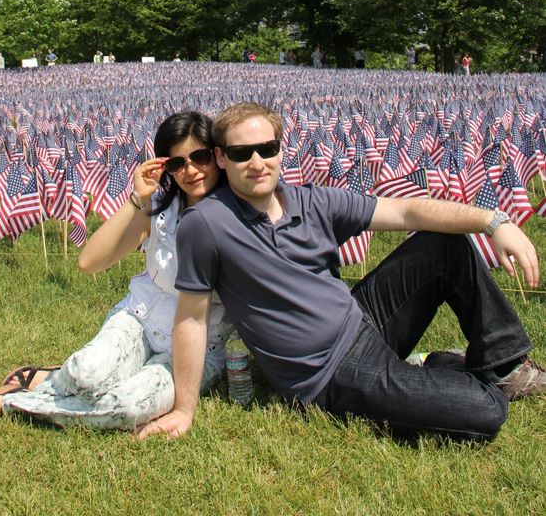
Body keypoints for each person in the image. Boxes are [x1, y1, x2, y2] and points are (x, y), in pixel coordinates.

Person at [140, 101, 544, 443]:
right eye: (242, 153)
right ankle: (443, 366)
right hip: (331, 372)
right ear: (222, 158)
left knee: (444, 245)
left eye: (267, 148)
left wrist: (494, 221)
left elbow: (406, 211)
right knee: (487, 412)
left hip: (360, 317)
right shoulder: (207, 223)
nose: (257, 162)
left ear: (281, 149)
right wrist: (184, 409)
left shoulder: (310, 200)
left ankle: (504, 365)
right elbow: (191, 317)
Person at [0, 111, 232, 430]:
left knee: (129, 405)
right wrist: (137, 200)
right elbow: (89, 262)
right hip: (142, 322)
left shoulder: (236, 217)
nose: (191, 170)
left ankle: (14, 400)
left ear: (217, 156)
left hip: (199, 346)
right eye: (177, 163)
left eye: (200, 157)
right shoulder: (159, 211)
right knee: (86, 374)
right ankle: (59, 377)